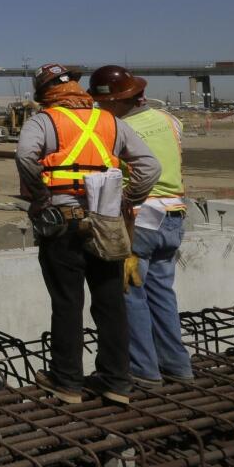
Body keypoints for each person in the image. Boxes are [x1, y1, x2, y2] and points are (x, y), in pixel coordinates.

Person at [16, 63, 160, 405]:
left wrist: (40, 196)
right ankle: (116, 382)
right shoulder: (109, 121)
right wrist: (128, 199)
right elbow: (150, 166)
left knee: (67, 302)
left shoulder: (44, 120)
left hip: (62, 221)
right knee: (110, 303)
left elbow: (25, 155)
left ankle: (67, 382)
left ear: (44, 94)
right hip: (106, 221)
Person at [87, 65, 193, 387]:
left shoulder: (117, 128)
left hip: (140, 219)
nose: (100, 108)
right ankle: (177, 366)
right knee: (162, 294)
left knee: (129, 293)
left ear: (118, 102)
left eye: (103, 103)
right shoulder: (171, 121)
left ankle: (143, 370)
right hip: (174, 216)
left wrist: (127, 200)